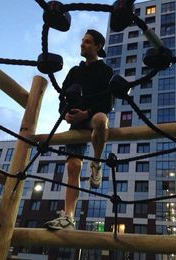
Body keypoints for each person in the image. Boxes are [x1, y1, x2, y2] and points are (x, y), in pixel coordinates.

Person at [44, 29, 113, 230]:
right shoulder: (74, 71)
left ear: (98, 46)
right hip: (76, 120)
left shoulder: (105, 71)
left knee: (101, 119)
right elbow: (62, 97)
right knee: (73, 167)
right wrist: (64, 113)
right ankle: (68, 217)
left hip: (92, 115)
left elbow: (106, 102)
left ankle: (97, 163)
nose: (83, 44)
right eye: (82, 41)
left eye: (88, 42)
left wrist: (87, 112)